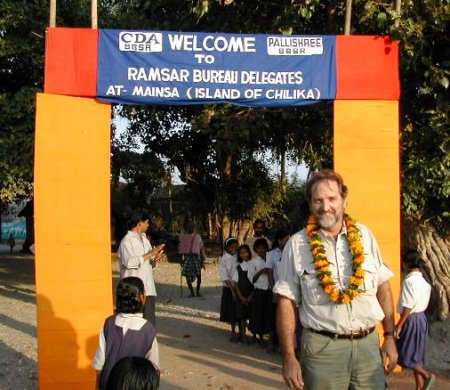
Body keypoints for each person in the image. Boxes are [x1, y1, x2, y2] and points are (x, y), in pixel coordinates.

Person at [274, 169, 398, 390]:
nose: (325, 206)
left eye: (332, 199)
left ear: (344, 201)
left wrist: (389, 335)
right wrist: (289, 357)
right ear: (310, 204)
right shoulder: (297, 244)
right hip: (322, 352)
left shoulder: (365, 235)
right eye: (318, 200)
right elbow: (286, 302)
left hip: (369, 348)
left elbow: (383, 285)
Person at [93, 277, 159, 390]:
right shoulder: (148, 330)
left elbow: (99, 365)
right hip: (135, 385)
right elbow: (153, 368)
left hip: (109, 384)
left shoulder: (109, 323)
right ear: (142, 298)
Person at [396, 249, 435, 390]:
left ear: (405, 264)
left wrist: (400, 325)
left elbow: (408, 305)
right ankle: (419, 387)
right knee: (416, 356)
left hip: (411, 319)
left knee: (404, 355)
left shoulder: (408, 282)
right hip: (421, 319)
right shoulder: (424, 282)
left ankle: (426, 375)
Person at [118, 212, 164, 325]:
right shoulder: (126, 241)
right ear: (140, 223)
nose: (148, 225)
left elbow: (147, 264)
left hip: (148, 289)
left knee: (149, 324)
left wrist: (155, 260)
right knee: (133, 323)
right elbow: (129, 262)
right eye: (147, 222)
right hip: (133, 290)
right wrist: (150, 254)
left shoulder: (145, 240)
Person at [266, 229, 291, 353]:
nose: (288, 241)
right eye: (286, 239)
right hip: (277, 289)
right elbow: (270, 272)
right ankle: (273, 343)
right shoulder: (272, 254)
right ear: (279, 241)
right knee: (275, 318)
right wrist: (273, 290)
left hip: (290, 290)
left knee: (288, 318)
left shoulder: (292, 252)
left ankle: (286, 346)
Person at [247, 238, 273, 346]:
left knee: (266, 314)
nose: (261, 250)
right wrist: (262, 271)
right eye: (259, 248)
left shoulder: (270, 259)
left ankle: (263, 336)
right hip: (259, 291)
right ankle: (255, 336)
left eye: (263, 248)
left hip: (268, 290)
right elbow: (251, 279)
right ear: (256, 250)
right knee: (256, 314)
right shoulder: (253, 262)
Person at [232, 244, 254, 343]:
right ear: (239, 255)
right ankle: (243, 336)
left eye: (245, 252)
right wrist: (240, 296)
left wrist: (251, 296)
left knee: (252, 314)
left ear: (249, 252)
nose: (244, 254)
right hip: (241, 294)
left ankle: (254, 336)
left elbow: (256, 282)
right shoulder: (238, 268)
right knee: (242, 316)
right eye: (241, 253)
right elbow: (235, 283)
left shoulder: (253, 264)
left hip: (251, 294)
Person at [178, 221, 206, 297]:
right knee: (187, 276)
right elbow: (181, 249)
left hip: (196, 258)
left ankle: (197, 291)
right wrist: (181, 260)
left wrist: (202, 260)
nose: (191, 228)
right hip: (187, 258)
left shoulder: (198, 237)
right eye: (189, 227)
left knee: (198, 275)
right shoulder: (183, 237)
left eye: (192, 227)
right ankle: (192, 292)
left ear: (194, 228)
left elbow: (201, 248)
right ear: (187, 228)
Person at [219, 237, 239, 342]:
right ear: (227, 247)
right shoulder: (223, 258)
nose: (234, 249)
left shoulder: (238, 256)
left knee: (240, 310)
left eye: (236, 247)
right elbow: (224, 277)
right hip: (229, 288)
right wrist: (232, 290)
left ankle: (241, 331)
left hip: (239, 287)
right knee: (231, 311)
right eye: (232, 247)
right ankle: (233, 332)